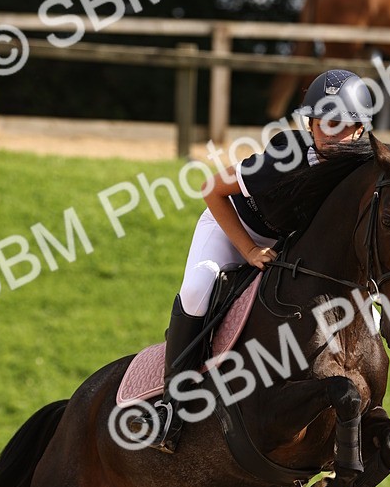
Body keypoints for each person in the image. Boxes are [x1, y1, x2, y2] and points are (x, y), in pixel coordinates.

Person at [148, 68, 372, 453]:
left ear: (360, 131)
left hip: (286, 244)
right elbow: (211, 189)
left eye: (343, 125)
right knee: (199, 286)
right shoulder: (286, 157)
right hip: (233, 226)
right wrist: (248, 250)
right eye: (324, 123)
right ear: (311, 123)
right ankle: (172, 405)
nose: (331, 136)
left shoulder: (362, 166)